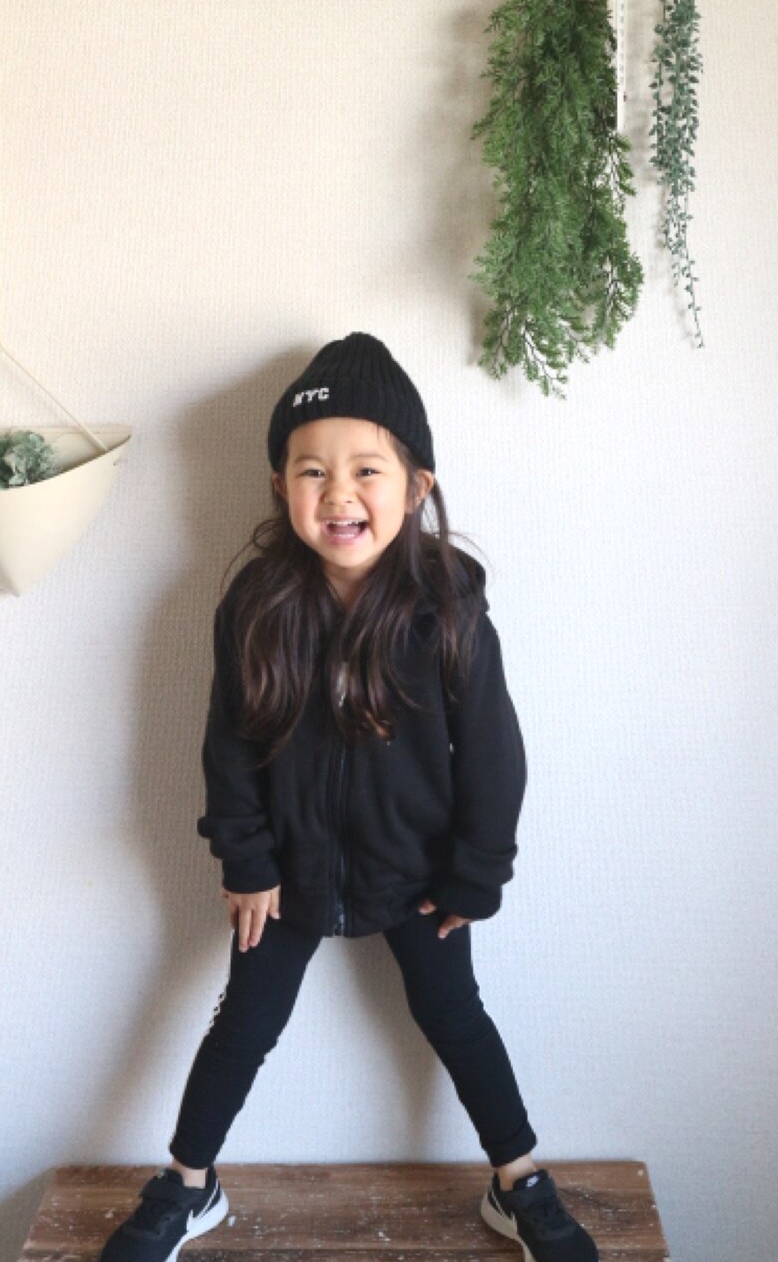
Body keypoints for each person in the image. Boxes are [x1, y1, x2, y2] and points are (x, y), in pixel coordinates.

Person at [100, 333, 599, 1262]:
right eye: (311, 471)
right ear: (280, 486)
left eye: (366, 469)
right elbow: (228, 746)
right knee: (243, 1023)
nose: (338, 494)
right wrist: (246, 860)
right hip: (285, 877)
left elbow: (496, 755)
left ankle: (518, 1177)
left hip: (419, 876)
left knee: (456, 1017)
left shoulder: (449, 610)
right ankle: (188, 1183)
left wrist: (477, 874)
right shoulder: (255, 606)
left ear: (416, 486)